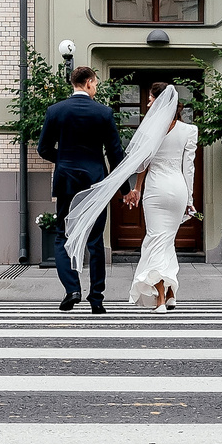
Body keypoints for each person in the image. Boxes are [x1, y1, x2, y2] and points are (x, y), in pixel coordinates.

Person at [61, 82, 193, 311]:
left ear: (160, 101)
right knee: (166, 241)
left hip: (156, 189)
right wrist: (189, 199)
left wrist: (137, 189)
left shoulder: (151, 128)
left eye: (151, 98)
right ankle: (171, 292)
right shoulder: (190, 131)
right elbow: (188, 168)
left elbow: (143, 163)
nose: (149, 102)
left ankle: (160, 295)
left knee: (155, 239)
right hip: (178, 188)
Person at [37, 64, 123, 312]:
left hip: (66, 181)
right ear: (87, 83)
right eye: (95, 83)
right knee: (95, 240)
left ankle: (72, 289)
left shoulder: (55, 111)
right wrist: (125, 188)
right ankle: (96, 299)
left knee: (63, 236)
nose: (96, 87)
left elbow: (43, 149)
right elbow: (115, 152)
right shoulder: (104, 113)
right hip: (96, 182)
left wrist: (64, 160)